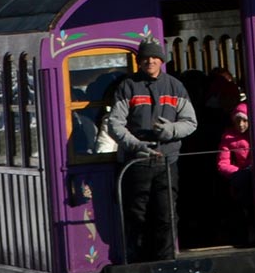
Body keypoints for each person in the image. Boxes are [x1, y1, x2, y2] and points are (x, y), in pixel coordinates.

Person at [84, 41, 197, 259]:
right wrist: (135, 144)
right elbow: (115, 123)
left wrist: (171, 130)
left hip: (167, 160)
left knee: (167, 214)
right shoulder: (128, 86)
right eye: (145, 58)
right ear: (139, 62)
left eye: (154, 58)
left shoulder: (176, 86)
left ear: (161, 61)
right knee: (137, 213)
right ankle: (138, 258)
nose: (150, 61)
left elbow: (191, 122)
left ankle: (166, 259)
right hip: (137, 162)